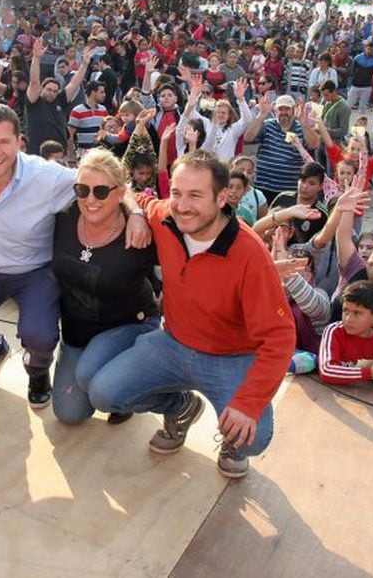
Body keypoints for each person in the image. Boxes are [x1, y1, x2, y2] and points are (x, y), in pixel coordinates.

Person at [88, 150, 296, 478]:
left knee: (252, 437)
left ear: (223, 197)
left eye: (195, 195)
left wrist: (248, 403)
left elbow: (280, 337)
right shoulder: (165, 217)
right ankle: (180, 407)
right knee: (104, 394)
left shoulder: (250, 254)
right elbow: (132, 192)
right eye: (176, 193)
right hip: (172, 343)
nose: (182, 206)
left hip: (231, 357)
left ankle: (232, 440)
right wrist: (137, 214)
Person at [0, 103, 150, 408]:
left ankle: (37, 370)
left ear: (20, 142)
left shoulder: (46, 176)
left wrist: (135, 210)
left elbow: (105, 179)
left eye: (4, 141)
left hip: (35, 271)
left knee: (40, 335)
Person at [51, 148, 160, 425]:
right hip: (77, 333)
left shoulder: (140, 232)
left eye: (101, 191)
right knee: (69, 413)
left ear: (119, 192)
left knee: (92, 377)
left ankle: (142, 389)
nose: (90, 199)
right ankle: (103, 377)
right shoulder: (63, 216)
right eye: (82, 189)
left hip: (129, 326)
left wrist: (136, 211)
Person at [317, 281, 373, 384]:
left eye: (357, 313)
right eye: (345, 311)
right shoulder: (334, 331)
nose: (348, 319)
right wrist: (370, 372)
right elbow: (327, 371)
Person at [245, 93, 318, 202]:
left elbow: (315, 144)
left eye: (287, 109)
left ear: (293, 110)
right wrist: (261, 115)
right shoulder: (267, 125)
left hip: (289, 189)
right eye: (280, 109)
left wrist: (303, 123)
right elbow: (248, 138)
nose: (284, 112)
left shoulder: (301, 128)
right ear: (275, 110)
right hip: (263, 186)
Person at [26, 37, 91, 156]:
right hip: (38, 154)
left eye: (55, 91)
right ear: (42, 89)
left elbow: (74, 83)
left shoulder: (59, 100)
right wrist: (36, 58)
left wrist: (84, 64)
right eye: (49, 90)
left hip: (60, 155)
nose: (52, 93)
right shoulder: (34, 101)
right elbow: (34, 82)